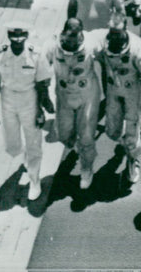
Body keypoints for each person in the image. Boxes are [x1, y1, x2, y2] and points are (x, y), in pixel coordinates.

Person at [0, 23, 54, 201]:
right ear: (9, 37)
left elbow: (42, 83)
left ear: (26, 36)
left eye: (21, 38)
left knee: (33, 142)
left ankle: (34, 181)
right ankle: (25, 157)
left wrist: (41, 109)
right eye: (14, 39)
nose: (17, 42)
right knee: (12, 145)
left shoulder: (36, 54)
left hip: (29, 99)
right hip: (7, 99)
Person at [93, 14, 141, 184]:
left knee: (132, 128)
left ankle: (133, 158)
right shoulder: (102, 41)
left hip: (132, 91)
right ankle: (126, 145)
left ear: (125, 30)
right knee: (112, 130)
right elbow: (84, 43)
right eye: (111, 32)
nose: (113, 37)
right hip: (113, 90)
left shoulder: (138, 49)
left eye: (117, 33)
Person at [47, 19, 101, 190]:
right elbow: (40, 71)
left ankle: (86, 168)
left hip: (87, 96)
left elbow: (108, 59)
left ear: (81, 37)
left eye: (75, 40)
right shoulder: (52, 46)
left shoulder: (92, 43)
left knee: (86, 136)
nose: (71, 44)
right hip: (64, 96)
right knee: (62, 134)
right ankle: (77, 147)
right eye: (68, 39)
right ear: (63, 35)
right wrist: (43, 98)